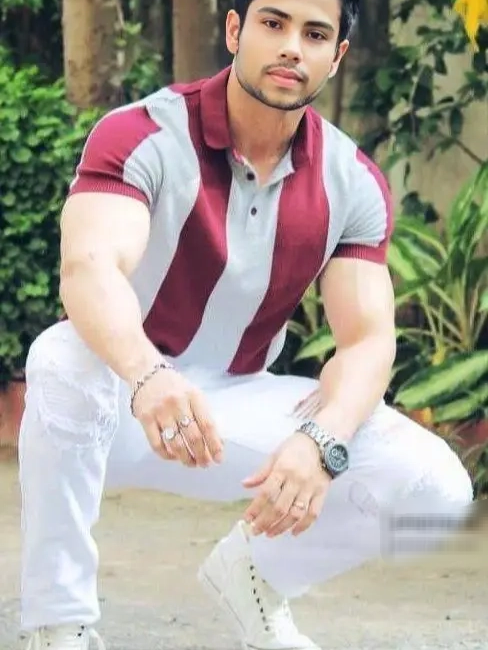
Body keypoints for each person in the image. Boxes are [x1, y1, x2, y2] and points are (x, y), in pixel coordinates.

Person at [19, 0, 474, 649]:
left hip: (231, 409)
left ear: (336, 57)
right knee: (62, 358)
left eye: (314, 33)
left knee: (438, 490)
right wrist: (148, 375)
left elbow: (367, 341)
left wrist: (321, 442)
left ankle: (253, 579)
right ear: (234, 31)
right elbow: (88, 268)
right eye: (273, 23)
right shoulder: (144, 133)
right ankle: (60, 624)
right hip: (119, 396)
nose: (292, 46)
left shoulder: (351, 181)